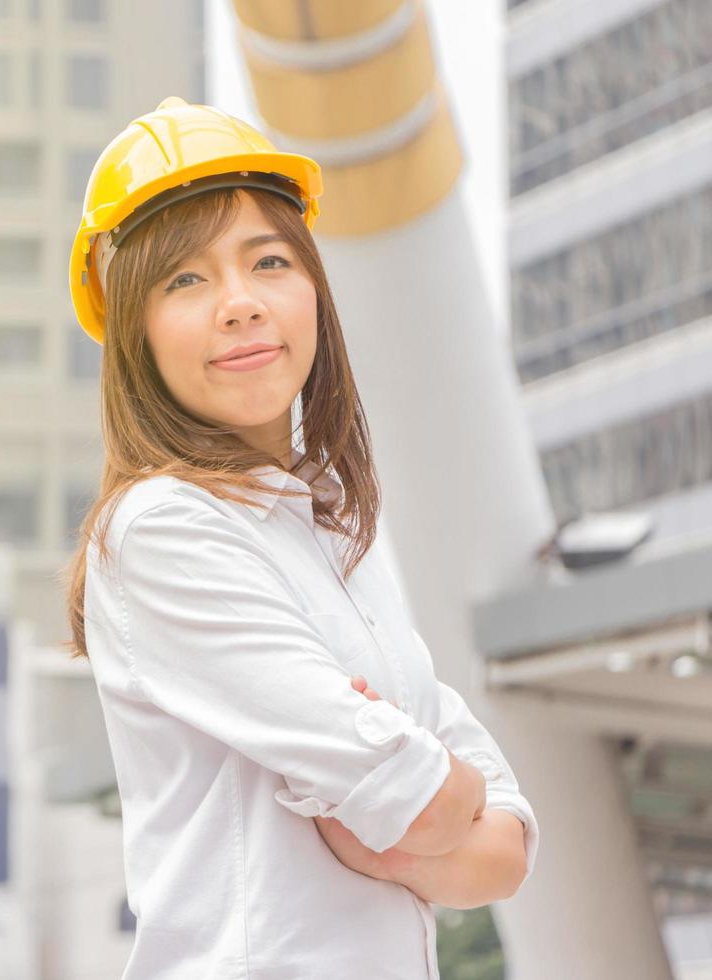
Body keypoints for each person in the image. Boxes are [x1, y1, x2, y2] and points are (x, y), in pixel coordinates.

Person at [61, 97, 540, 979]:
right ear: (134, 334)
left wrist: (390, 839)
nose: (240, 305)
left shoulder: (333, 535)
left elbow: (504, 844)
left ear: (313, 287)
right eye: (184, 280)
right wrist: (420, 793)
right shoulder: (161, 531)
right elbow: (433, 802)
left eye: (268, 261)